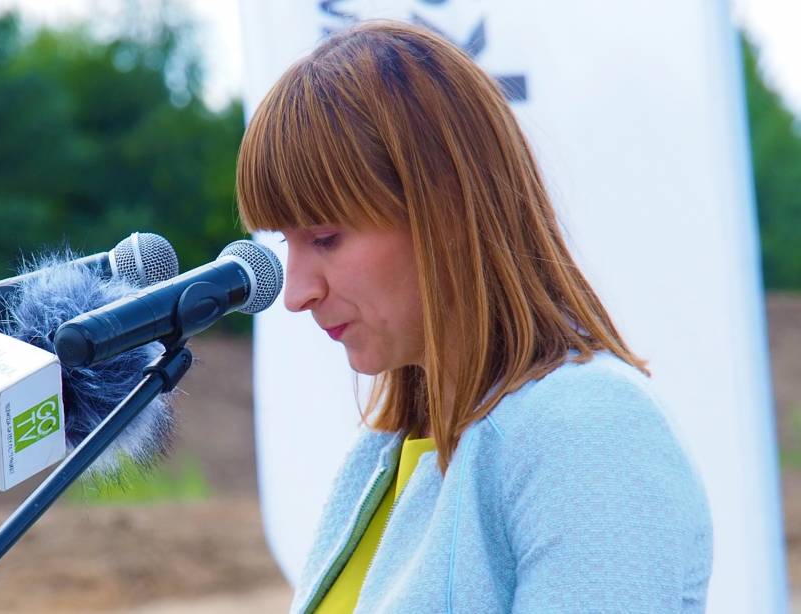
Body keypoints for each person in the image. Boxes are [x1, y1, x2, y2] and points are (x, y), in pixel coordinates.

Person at [235, 20, 713, 614]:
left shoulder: (587, 431)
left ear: (445, 214)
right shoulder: (383, 457)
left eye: (326, 238)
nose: (296, 292)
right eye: (287, 243)